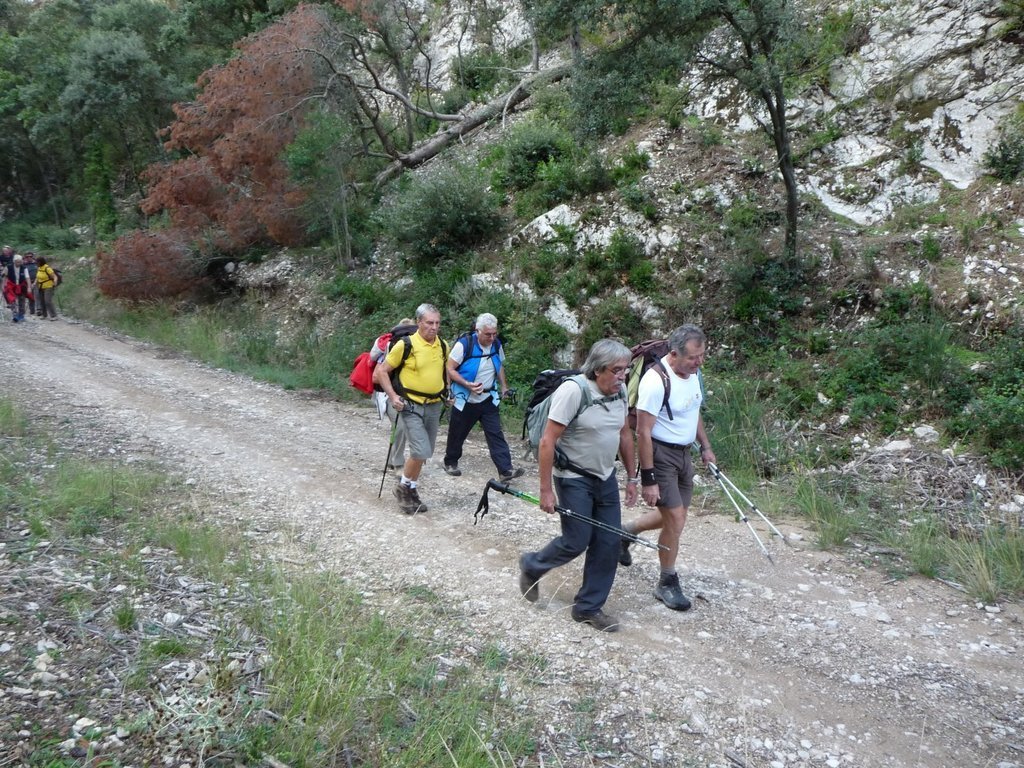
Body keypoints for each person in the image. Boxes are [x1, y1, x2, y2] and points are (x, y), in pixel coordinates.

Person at [518, 339, 639, 632]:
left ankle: (588, 607)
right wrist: (546, 489)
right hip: (573, 478)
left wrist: (632, 478)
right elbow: (548, 441)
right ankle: (533, 565)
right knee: (577, 539)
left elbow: (624, 435)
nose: (623, 376)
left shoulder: (619, 391)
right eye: (617, 370)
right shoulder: (573, 391)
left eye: (627, 369)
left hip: (605, 476)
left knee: (609, 542)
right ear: (598, 370)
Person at [619, 324, 716, 611]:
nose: (699, 362)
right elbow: (643, 432)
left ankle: (626, 531)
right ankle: (667, 581)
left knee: (676, 517)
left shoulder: (693, 374)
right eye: (693, 358)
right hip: (661, 455)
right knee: (675, 519)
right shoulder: (654, 381)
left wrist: (706, 447)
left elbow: (692, 409)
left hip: (684, 454)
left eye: (702, 355)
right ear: (674, 354)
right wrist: (647, 478)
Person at [374, 303, 448, 515]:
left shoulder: (442, 345)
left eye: (437, 323)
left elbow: (444, 371)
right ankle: (403, 489)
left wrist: (448, 392)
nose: (434, 327)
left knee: (426, 452)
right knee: (420, 450)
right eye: (429, 323)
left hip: (434, 405)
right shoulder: (405, 345)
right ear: (419, 323)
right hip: (410, 405)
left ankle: (410, 489)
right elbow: (382, 371)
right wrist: (393, 396)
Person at [442, 312, 524, 482]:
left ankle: (505, 470)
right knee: (458, 433)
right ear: (478, 331)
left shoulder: (496, 345)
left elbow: (499, 365)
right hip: (465, 398)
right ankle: (450, 462)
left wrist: (503, 386)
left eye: (495, 334)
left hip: (488, 398)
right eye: (488, 334)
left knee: (495, 433)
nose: (492, 338)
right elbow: (449, 369)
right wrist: (466, 384)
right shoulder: (464, 345)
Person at [371, 317, 415, 470]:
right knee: (400, 425)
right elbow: (376, 376)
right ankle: (398, 463)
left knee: (399, 427)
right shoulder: (391, 348)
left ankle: (392, 459)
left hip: (406, 394)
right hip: (389, 395)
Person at [35, 255, 59, 321]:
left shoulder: (47, 268)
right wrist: (34, 283)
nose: (36, 263)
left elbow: (54, 276)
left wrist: (55, 282)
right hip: (41, 287)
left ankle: (54, 315)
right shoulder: (39, 268)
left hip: (48, 286)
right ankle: (44, 315)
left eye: (37, 262)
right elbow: (37, 277)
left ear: (40, 262)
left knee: (47, 301)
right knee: (42, 301)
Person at [10, 253, 32, 322]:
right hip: (12, 285)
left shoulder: (24, 268)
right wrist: (4, 285)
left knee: (22, 300)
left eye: (20, 262)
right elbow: (5, 276)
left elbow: (27, 278)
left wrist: (29, 287)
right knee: (12, 300)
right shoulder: (9, 267)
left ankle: (21, 315)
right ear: (14, 261)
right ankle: (14, 314)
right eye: (17, 262)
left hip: (21, 286)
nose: (19, 263)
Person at [22, 252, 38, 317]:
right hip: (27, 282)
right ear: (25, 258)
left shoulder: (36, 264)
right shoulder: (24, 265)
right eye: (27, 257)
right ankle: (32, 310)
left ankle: (39, 309)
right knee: (30, 296)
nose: (29, 258)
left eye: (30, 256)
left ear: (32, 257)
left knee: (37, 295)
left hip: (36, 281)